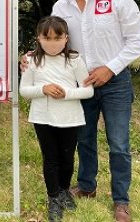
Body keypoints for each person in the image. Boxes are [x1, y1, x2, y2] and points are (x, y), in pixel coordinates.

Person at [53, 0, 140, 222]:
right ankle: (86, 186)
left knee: (118, 143)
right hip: (82, 84)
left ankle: (121, 201)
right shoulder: (60, 8)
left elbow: (139, 38)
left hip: (115, 82)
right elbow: (55, 43)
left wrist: (111, 68)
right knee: (83, 139)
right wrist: (32, 60)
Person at [20, 16, 94, 222]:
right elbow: (23, 90)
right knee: (50, 158)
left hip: (70, 117)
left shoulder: (74, 60)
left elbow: (88, 91)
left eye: (57, 38)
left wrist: (67, 94)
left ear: (66, 38)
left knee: (67, 157)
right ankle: (53, 198)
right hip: (42, 118)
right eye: (47, 38)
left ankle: (63, 190)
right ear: (38, 39)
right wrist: (43, 89)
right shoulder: (32, 60)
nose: (52, 43)